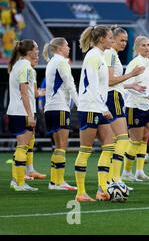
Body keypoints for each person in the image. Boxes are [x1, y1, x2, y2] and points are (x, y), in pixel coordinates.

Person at [74, 26, 114, 202]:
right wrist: (103, 107)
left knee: (109, 145)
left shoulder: (100, 56)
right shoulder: (92, 57)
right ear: (101, 39)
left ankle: (102, 189)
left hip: (98, 106)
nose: (112, 40)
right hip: (90, 107)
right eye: (110, 37)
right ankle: (81, 192)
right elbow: (91, 85)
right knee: (85, 150)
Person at [104, 26, 146, 185]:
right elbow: (110, 81)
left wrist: (130, 86)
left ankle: (110, 179)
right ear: (112, 39)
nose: (124, 43)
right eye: (121, 40)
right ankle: (115, 178)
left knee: (113, 141)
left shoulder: (112, 55)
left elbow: (113, 82)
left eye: (126, 41)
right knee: (122, 139)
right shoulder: (110, 55)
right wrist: (131, 74)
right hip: (112, 97)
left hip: (114, 96)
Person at [122, 36, 149, 181]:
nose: (148, 48)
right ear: (136, 48)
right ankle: (127, 172)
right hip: (134, 106)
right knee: (136, 141)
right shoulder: (134, 64)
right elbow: (127, 85)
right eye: (144, 45)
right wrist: (148, 96)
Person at [7, 39, 44, 191]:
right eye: (36, 49)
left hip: (16, 111)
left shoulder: (18, 65)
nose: (38, 51)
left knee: (22, 146)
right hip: (22, 112)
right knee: (22, 147)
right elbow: (24, 92)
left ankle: (18, 180)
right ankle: (19, 182)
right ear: (29, 52)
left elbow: (32, 93)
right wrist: (30, 115)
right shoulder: (26, 67)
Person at [42, 38, 78, 190]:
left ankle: (54, 181)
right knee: (62, 146)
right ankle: (59, 181)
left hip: (50, 108)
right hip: (59, 107)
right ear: (61, 47)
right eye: (68, 45)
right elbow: (70, 85)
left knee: (58, 146)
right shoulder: (61, 62)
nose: (69, 48)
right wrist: (81, 105)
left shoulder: (51, 62)